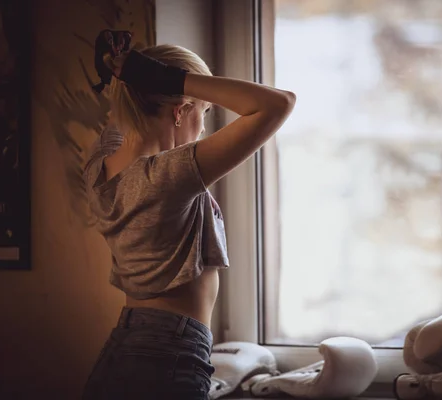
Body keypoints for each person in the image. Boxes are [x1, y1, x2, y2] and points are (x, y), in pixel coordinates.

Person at [81, 43, 295, 399]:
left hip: (127, 343)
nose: (204, 124)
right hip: (167, 351)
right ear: (180, 111)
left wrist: (127, 75)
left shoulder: (100, 164)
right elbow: (278, 103)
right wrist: (170, 79)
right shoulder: (165, 176)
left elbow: (122, 119)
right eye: (205, 111)